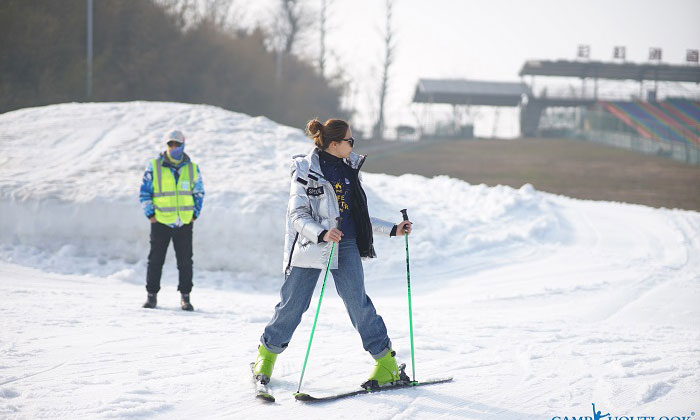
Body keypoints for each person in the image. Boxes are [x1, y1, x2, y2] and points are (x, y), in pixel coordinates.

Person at [251, 118, 412, 389]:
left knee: (358, 304)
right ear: (334, 144)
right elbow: (296, 215)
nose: (353, 145)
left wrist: (392, 229)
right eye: (350, 140)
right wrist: (321, 233)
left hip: (346, 244)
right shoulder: (304, 169)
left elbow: (358, 216)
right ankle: (265, 357)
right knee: (293, 305)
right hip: (310, 246)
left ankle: (387, 364)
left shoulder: (351, 169)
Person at [139, 130, 205, 311]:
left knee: (185, 261)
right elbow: (145, 192)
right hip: (160, 221)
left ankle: (185, 297)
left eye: (177, 144)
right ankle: (151, 296)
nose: (173, 147)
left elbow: (199, 192)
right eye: (170, 144)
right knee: (155, 260)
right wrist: (150, 215)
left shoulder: (192, 168)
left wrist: (194, 215)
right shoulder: (154, 166)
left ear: (183, 145)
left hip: (184, 222)